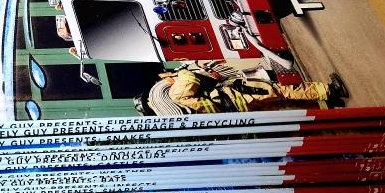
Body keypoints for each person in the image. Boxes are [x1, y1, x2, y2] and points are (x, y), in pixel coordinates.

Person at [135, 61, 349, 115]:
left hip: (238, 109)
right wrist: (180, 72)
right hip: (238, 94)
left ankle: (326, 105)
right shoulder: (174, 95)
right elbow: (190, 80)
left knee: (283, 102)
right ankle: (330, 91)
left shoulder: (180, 115)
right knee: (282, 91)